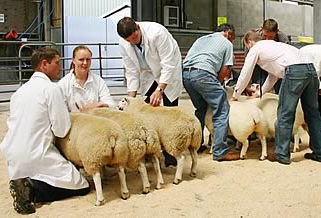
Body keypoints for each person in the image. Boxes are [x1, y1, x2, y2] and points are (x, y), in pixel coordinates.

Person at [0, 48, 90, 214]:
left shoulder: (19, 92)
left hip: (12, 156)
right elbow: (62, 130)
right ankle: (33, 189)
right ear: (44, 64)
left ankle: (24, 183)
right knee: (82, 185)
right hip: (36, 154)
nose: (60, 67)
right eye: (57, 63)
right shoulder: (51, 89)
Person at [234, 30, 321, 165]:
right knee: (313, 114)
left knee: (285, 113)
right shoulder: (275, 46)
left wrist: (236, 94)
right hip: (311, 71)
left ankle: (282, 154)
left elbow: (245, 72)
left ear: (249, 42)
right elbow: (275, 74)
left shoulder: (256, 49)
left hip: (295, 72)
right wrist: (260, 93)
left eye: (247, 46)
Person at [117, 17, 182, 167]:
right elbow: (131, 70)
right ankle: (151, 152)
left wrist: (160, 90)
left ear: (138, 28)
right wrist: (130, 100)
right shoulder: (124, 42)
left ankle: (171, 156)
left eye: (134, 37)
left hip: (168, 72)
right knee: (145, 113)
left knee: (169, 113)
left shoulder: (157, 33)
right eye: (129, 40)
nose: (132, 42)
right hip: (148, 73)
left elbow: (168, 64)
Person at [182, 24, 239, 161]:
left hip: (185, 74)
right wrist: (218, 83)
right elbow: (225, 70)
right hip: (203, 73)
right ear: (229, 34)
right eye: (232, 39)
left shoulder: (201, 39)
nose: (232, 41)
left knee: (200, 109)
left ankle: (196, 144)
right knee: (221, 109)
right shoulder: (227, 43)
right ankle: (220, 151)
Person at [58, 45, 115, 112]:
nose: (85, 63)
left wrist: (97, 105)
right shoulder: (63, 84)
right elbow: (60, 111)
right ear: (73, 60)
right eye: (81, 59)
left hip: (96, 121)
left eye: (88, 59)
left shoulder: (98, 81)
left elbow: (111, 105)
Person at [250, 19, 290, 95]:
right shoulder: (254, 37)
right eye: (265, 36)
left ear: (277, 31)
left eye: (271, 37)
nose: (267, 40)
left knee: (280, 85)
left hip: (276, 64)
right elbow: (249, 61)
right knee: (259, 84)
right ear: (262, 29)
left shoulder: (283, 39)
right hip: (259, 64)